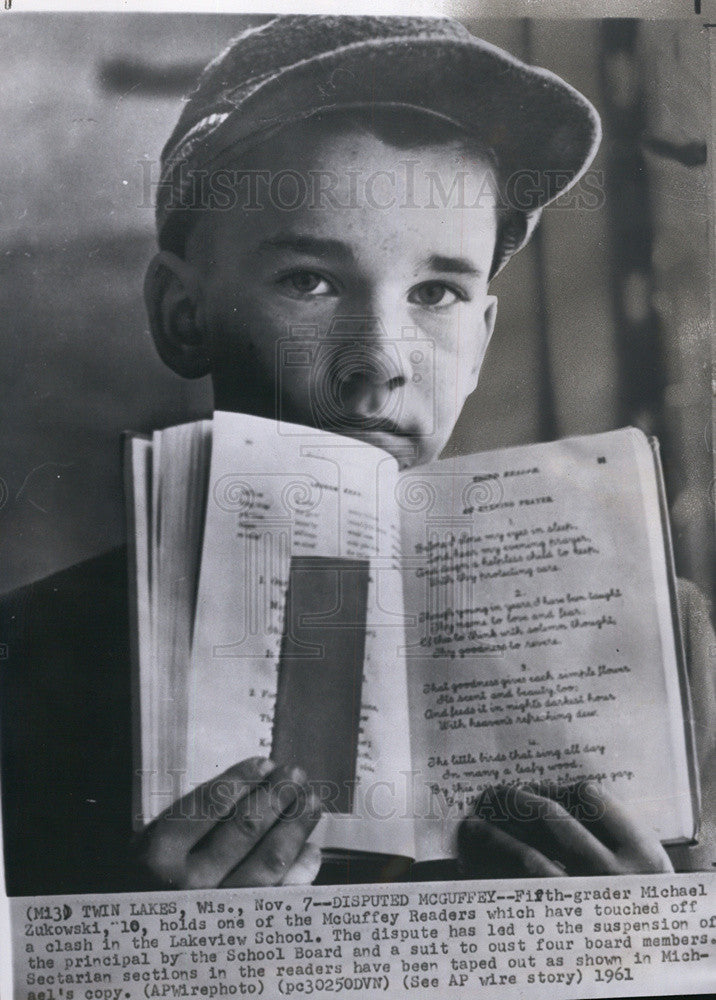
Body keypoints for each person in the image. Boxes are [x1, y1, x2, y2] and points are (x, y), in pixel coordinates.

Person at [1, 14, 713, 896]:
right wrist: (129, 938)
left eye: (437, 292)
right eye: (311, 280)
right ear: (183, 316)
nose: (378, 361)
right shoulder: (30, 658)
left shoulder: (665, 641)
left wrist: (668, 928)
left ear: (482, 342)